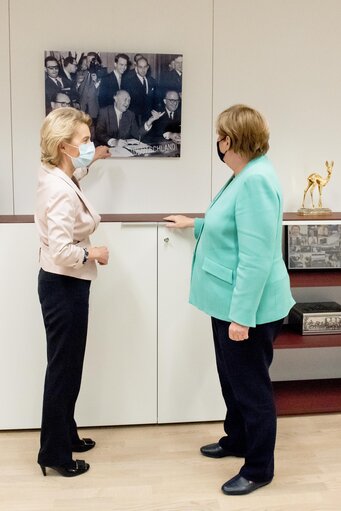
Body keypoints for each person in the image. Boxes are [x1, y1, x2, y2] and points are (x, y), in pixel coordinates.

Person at [164, 104, 295, 496]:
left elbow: (255, 257)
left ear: (233, 140)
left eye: (220, 136)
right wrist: (198, 224)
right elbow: (234, 227)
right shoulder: (245, 174)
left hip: (246, 307)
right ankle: (236, 438)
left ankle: (258, 468)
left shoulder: (255, 181)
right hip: (228, 301)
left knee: (251, 388)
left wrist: (242, 318)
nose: (217, 143)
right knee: (231, 379)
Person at [35, 107, 111, 477]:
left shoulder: (56, 175)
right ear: (65, 146)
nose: (89, 144)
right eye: (84, 141)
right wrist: (94, 252)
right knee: (64, 371)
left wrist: (91, 161)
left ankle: (67, 434)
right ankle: (54, 453)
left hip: (62, 285)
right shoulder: (59, 192)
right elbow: (63, 250)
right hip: (64, 285)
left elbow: (74, 174)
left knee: (67, 367)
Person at [95, 89, 162, 148]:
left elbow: (137, 135)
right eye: (125, 99)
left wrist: (149, 121)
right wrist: (113, 142)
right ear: (115, 98)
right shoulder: (104, 112)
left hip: (122, 151)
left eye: (129, 100)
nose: (127, 103)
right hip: (105, 149)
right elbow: (99, 133)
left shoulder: (130, 115)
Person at [124, 56, 157, 126]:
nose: (143, 70)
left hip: (150, 119)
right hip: (135, 120)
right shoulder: (129, 83)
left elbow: (155, 100)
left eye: (145, 67)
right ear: (136, 67)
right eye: (140, 67)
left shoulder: (152, 81)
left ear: (148, 67)